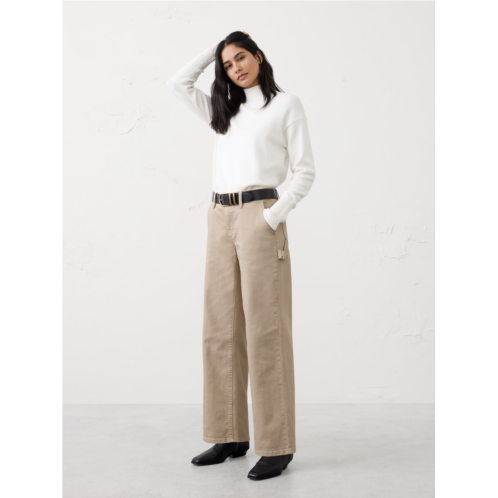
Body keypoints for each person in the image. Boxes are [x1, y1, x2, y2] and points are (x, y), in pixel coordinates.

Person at [166, 31, 315, 481]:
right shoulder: (224, 111)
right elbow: (177, 83)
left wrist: (272, 217)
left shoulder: (285, 105)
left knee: (265, 330)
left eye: (241, 58)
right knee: (219, 328)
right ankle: (229, 435)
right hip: (219, 216)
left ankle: (277, 445)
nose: (236, 69)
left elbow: (305, 171)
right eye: (227, 64)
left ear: (259, 56)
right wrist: (214, 47)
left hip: (259, 215)